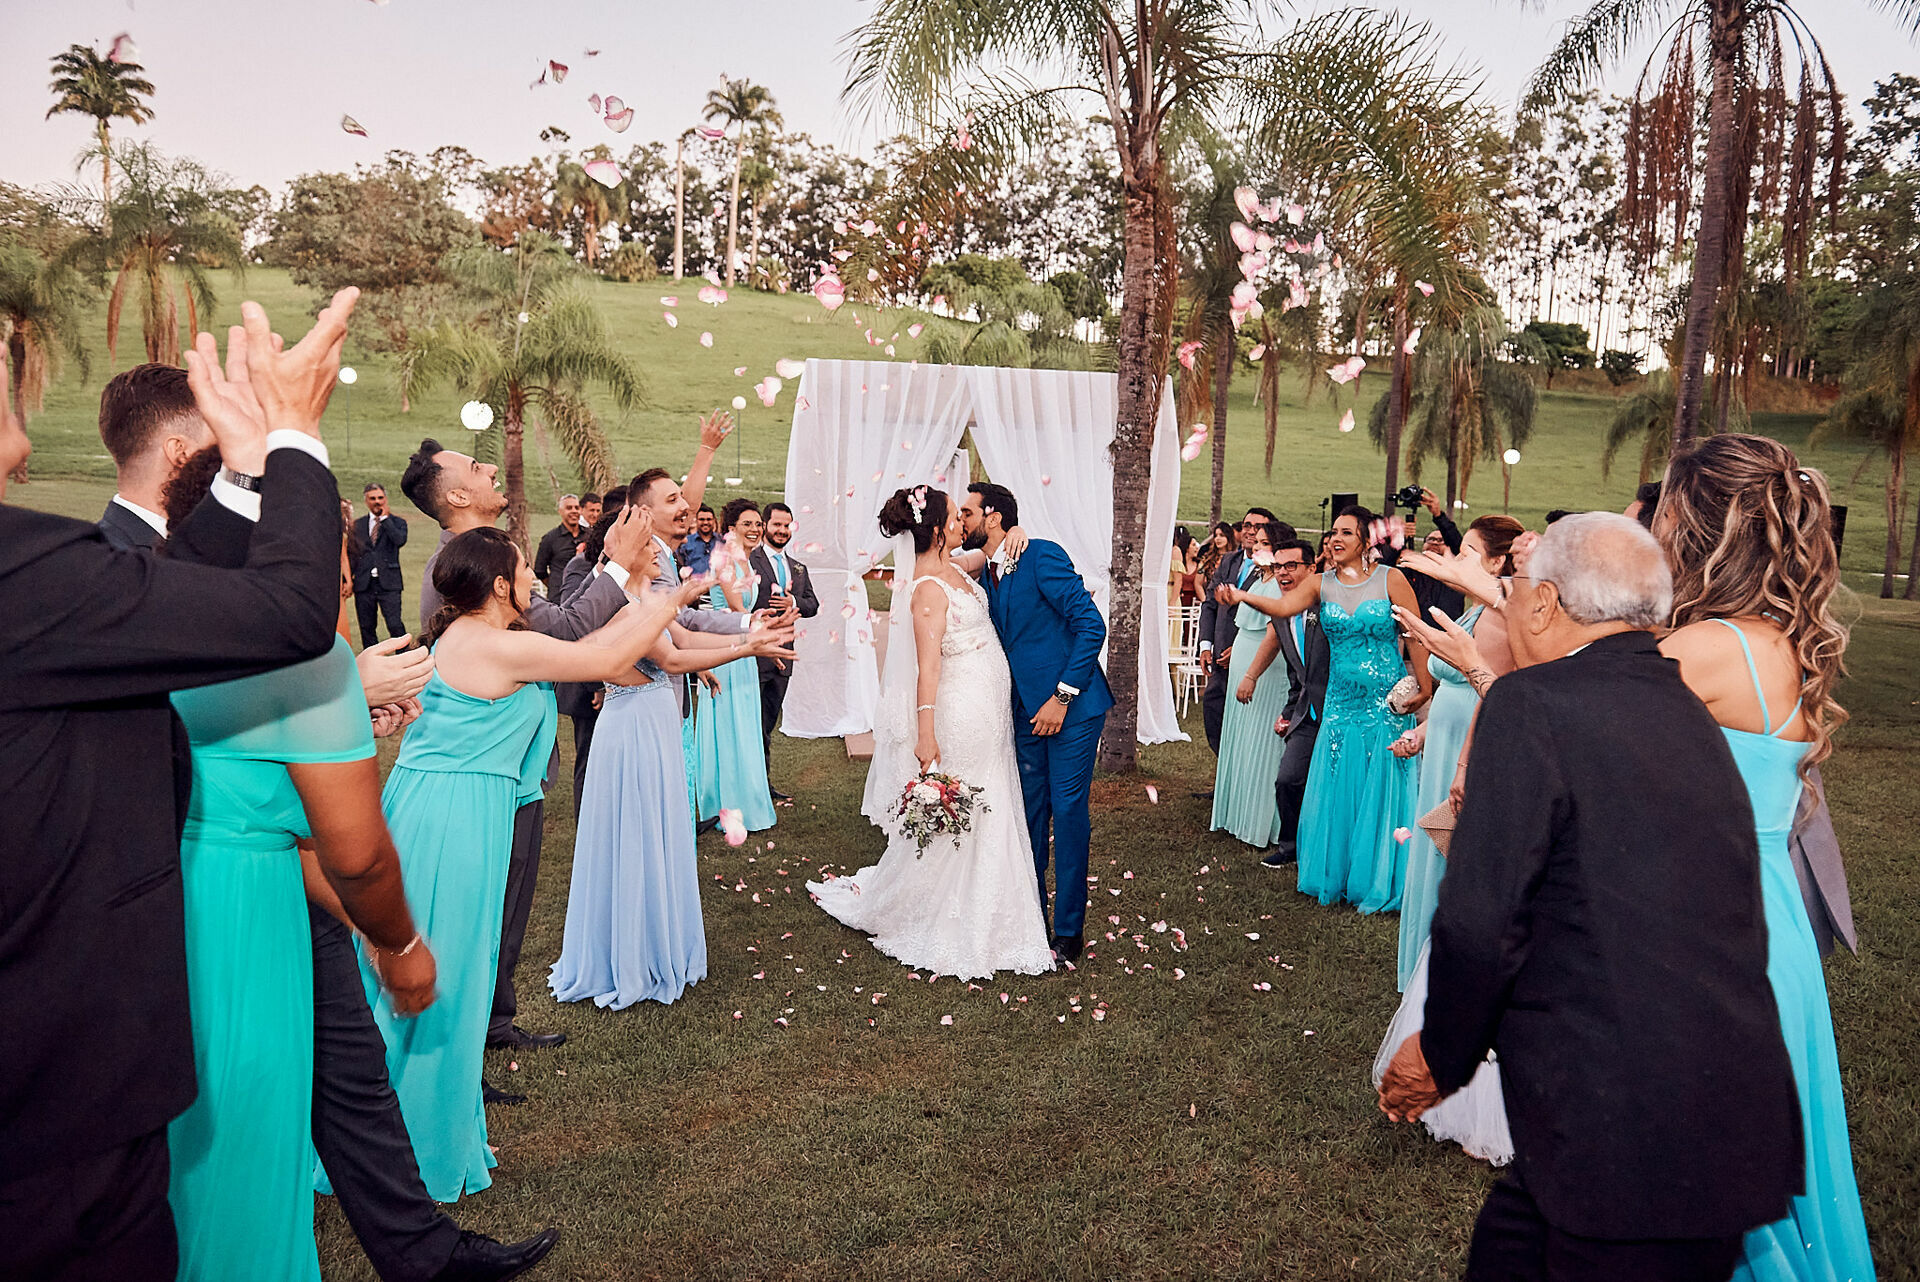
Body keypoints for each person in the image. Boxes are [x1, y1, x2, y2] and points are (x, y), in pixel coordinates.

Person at [0, 291, 358, 1281]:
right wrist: (293, 435)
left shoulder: (32, 586)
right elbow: (289, 613)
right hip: (51, 1098)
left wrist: (242, 473)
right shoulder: (16, 570)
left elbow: (141, 619)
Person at [166, 447, 559, 1280]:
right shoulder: (286, 660)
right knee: (245, 1112)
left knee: (351, 1081)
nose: (345, 573)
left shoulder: (263, 645)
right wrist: (399, 943)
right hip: (245, 906)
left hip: (279, 890)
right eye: (333, 549)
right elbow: (349, 847)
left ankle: (425, 1254)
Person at [1379, 513, 1803, 1282]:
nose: (1508, 608)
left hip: (1626, 1138)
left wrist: (1441, 1055)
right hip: (1723, 1115)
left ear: (1544, 606)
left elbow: (1483, 916)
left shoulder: (1533, 705)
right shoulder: (1691, 709)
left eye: (1515, 595)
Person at [155, 448, 433, 1282]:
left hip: (159, 902)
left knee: (178, 1157)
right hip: (247, 923)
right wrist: (403, 947)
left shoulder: (152, 616)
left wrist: (347, 722)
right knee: (245, 1141)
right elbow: (357, 854)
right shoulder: (308, 661)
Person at [361, 521, 698, 1202]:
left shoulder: (492, 638)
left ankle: (410, 1130)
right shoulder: (489, 644)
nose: (535, 581)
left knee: (458, 972)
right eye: (525, 571)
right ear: (498, 585)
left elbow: (596, 643)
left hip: (454, 810)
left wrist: (649, 595)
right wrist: (680, 591)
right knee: (445, 977)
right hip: (450, 821)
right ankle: (417, 1148)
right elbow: (604, 664)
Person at [1652, 436, 1874, 1282]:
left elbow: (1572, 720)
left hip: (1707, 929)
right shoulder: (1775, 641)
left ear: (1692, 526)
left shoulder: (1704, 649)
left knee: (1702, 1184)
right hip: (1767, 917)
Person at [403, 439, 651, 1060]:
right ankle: (468, 1035)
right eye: (475, 467)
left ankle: (490, 1022)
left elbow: (561, 629)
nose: (491, 468)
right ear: (457, 496)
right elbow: (565, 632)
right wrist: (619, 569)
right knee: (479, 917)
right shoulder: (462, 576)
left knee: (504, 912)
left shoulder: (492, 560)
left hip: (513, 774)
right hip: (482, 783)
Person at [808, 486, 1055, 978]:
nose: (964, 520)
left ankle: (995, 905)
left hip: (991, 709)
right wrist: (926, 736)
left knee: (994, 800)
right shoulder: (926, 589)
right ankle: (945, 910)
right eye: (956, 515)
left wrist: (1016, 532)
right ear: (940, 528)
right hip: (961, 712)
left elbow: (989, 556)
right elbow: (928, 671)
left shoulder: (956, 569)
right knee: (972, 801)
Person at [551, 536, 794, 1008]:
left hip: (656, 721)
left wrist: (749, 637)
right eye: (650, 545)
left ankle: (654, 943)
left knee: (657, 830)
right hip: (632, 727)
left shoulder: (651, 599)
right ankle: (629, 956)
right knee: (636, 833)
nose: (662, 551)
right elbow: (674, 659)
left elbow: (686, 637)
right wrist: (746, 650)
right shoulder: (620, 604)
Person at [1224, 506, 1429, 913]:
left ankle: (1380, 874)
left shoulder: (1393, 580)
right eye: (1333, 532)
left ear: (1366, 542)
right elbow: (1283, 610)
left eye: (1346, 533)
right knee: (1339, 781)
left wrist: (1424, 685)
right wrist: (1242, 595)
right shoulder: (1321, 583)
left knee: (1381, 781)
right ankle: (1337, 873)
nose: (1336, 539)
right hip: (1339, 702)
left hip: (1385, 701)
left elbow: (1415, 633)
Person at [961, 481, 1113, 964]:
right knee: (1028, 815)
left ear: (991, 516)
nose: (960, 521)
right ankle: (1029, 919)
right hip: (1021, 713)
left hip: (1071, 709)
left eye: (967, 512)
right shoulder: (985, 572)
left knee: (1068, 814)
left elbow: (1092, 624)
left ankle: (1069, 930)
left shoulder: (1042, 555)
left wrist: (1061, 697)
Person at [1393, 515, 1524, 990]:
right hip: (1444, 737)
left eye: (1467, 552)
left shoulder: (1498, 617)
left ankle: (1443, 975)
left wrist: (1464, 762)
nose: (1454, 559)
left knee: (1452, 850)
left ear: (1496, 563)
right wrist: (1423, 733)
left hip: (1471, 743)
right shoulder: (1471, 610)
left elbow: (1489, 690)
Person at [1237, 538, 1327, 869]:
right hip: (1306, 713)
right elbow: (1297, 674)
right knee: (1287, 779)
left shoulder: (1329, 607)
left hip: (1341, 710)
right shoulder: (1279, 614)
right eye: (1278, 567)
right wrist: (1290, 712)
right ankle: (1290, 847)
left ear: (1312, 569)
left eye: (1292, 566)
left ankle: (1326, 849)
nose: (1283, 573)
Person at [692, 499, 778, 833]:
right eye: (747, 524)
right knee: (728, 726)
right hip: (723, 649)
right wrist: (765, 623)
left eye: (758, 524)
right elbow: (736, 606)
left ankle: (744, 801)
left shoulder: (744, 558)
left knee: (744, 724)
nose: (755, 529)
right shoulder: (726, 558)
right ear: (731, 527)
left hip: (740, 647)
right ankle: (726, 805)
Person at [1209, 525, 1294, 847]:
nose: (1256, 548)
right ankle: (1236, 816)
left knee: (1261, 742)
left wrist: (1251, 675)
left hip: (1266, 672)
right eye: (1255, 543)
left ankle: (1261, 823)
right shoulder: (1259, 580)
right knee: (1241, 739)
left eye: (1265, 544)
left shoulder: (1281, 588)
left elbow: (1274, 632)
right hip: (1242, 658)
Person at [94, 362, 214, 551]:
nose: (228, 457)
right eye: (218, 443)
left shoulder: (106, 549)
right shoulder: (127, 567)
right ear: (180, 452)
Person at [1197, 508, 1285, 755]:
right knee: (1214, 713)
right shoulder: (1229, 560)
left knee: (1246, 725)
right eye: (1247, 525)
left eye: (1258, 527)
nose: (1250, 530)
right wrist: (1206, 645)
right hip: (1220, 657)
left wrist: (1240, 647)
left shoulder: (1272, 571)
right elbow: (1211, 605)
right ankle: (1225, 776)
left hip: (1250, 656)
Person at [750, 500, 820, 800]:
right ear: (765, 525)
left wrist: (793, 603)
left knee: (767, 723)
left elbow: (813, 604)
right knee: (748, 724)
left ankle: (763, 786)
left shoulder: (798, 568)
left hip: (785, 657)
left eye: (786, 525)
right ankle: (748, 787)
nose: (781, 530)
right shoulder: (750, 562)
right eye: (776, 524)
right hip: (752, 654)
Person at [350, 482, 409, 647]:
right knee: (367, 627)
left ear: (385, 499)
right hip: (364, 584)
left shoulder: (398, 523)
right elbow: (352, 554)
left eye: (380, 498)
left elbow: (399, 540)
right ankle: (372, 663)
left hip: (389, 583)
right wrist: (347, 580)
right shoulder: (358, 525)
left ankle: (404, 658)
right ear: (366, 501)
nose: (377, 501)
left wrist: (384, 519)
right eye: (373, 498)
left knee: (395, 625)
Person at [531, 492, 582, 597]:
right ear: (560, 511)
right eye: (569, 508)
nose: (574, 511)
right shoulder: (550, 538)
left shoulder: (590, 536)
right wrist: (555, 584)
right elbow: (539, 571)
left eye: (576, 508)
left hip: (584, 596)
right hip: (558, 598)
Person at [684, 502, 719, 574]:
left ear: (714, 521)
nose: (705, 522)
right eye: (702, 519)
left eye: (709, 519)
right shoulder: (686, 542)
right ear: (696, 521)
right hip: (693, 583)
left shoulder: (722, 541)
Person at [1171, 524, 1200, 607]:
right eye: (1193, 545)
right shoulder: (1179, 561)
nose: (1196, 548)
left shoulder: (1199, 565)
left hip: (1193, 601)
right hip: (1179, 596)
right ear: (1187, 547)